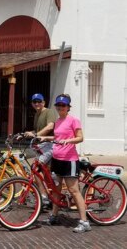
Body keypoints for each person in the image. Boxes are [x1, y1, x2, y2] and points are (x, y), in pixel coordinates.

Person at [39, 94, 90, 233]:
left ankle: (84, 222)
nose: (61, 107)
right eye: (58, 105)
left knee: (74, 191)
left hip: (69, 160)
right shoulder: (58, 121)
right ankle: (54, 216)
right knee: (56, 189)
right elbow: (57, 137)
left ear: (68, 107)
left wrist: (68, 141)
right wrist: (44, 137)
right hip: (57, 159)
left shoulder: (74, 120)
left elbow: (80, 138)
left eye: (63, 105)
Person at [24, 93, 56, 208]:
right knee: (35, 167)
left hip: (50, 144)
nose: (37, 104)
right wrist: (27, 134)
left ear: (44, 102)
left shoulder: (49, 112)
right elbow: (38, 130)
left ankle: (44, 198)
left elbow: (50, 127)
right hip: (42, 145)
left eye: (39, 101)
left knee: (36, 168)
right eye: (34, 102)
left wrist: (36, 134)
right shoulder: (37, 114)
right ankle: (47, 193)